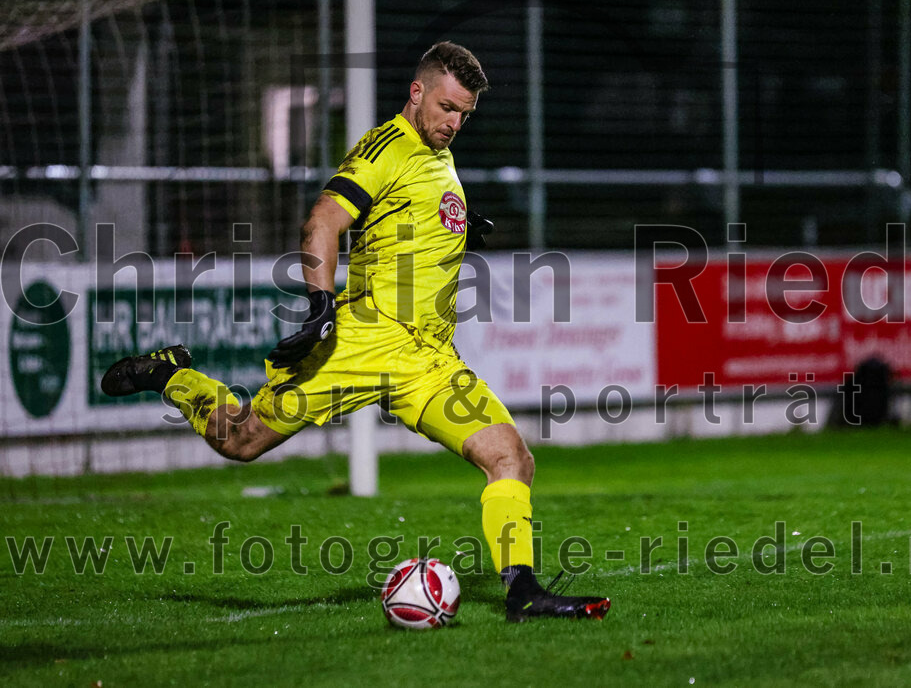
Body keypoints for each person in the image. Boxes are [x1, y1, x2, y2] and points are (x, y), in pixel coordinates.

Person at [101, 41, 610, 622]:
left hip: (428, 361)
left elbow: (408, 220)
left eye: (465, 114)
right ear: (416, 92)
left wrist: (458, 229)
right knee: (241, 441)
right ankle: (172, 374)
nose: (454, 123)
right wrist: (319, 301)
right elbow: (323, 219)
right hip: (359, 345)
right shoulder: (387, 146)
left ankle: (523, 593)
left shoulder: (436, 151)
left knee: (511, 457)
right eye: (446, 108)